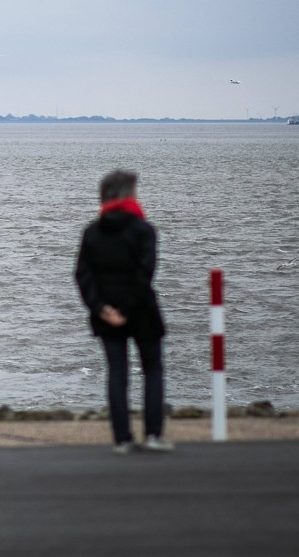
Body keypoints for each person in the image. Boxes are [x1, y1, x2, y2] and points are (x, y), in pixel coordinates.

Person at [74, 169, 172, 454]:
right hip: (141, 310)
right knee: (152, 370)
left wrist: (102, 308)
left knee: (117, 373)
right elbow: (145, 275)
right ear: (129, 196)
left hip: (105, 313)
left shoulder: (91, 233)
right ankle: (153, 434)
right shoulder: (144, 230)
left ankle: (122, 439)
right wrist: (126, 309)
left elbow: (82, 275)